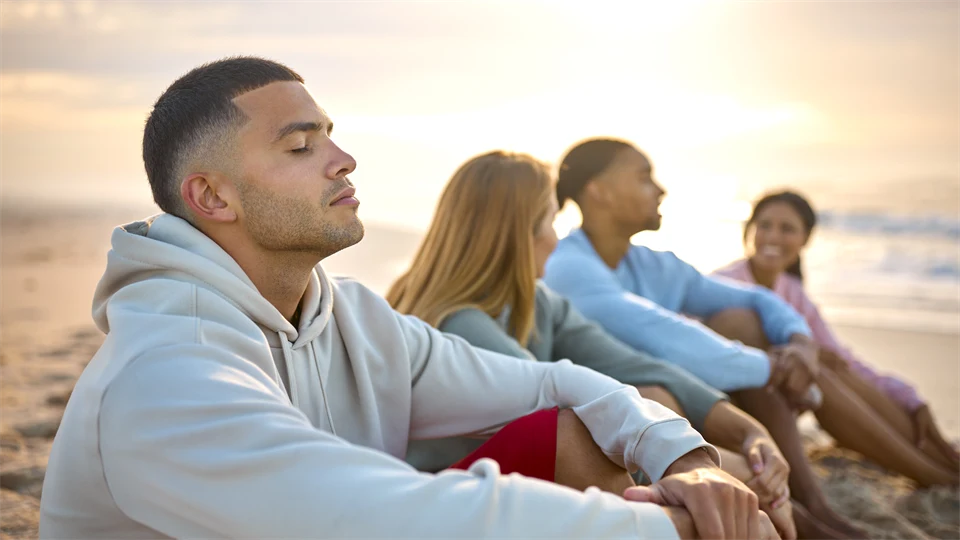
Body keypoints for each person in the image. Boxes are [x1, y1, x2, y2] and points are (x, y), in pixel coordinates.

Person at [38, 58, 775, 540]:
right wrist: (677, 528)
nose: (343, 159)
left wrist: (686, 460)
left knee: (580, 429)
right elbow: (391, 516)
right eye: (301, 148)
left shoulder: (354, 318)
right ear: (211, 196)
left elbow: (555, 382)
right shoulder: (166, 373)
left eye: (331, 136)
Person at [387, 150, 799, 539]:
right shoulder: (461, 322)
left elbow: (638, 365)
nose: (556, 238)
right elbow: (567, 421)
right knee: (590, 429)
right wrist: (710, 474)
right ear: (519, 235)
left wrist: (750, 433)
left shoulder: (539, 303)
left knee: (657, 398)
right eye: (551, 221)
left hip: (529, 488)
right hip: (457, 503)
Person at [543, 137, 867, 539]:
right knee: (689, 377)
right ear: (599, 191)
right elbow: (664, 337)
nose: (659, 189)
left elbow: (753, 297)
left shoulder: (653, 264)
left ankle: (920, 472)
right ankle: (807, 507)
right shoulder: (568, 267)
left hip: (681, 400)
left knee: (744, 321)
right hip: (626, 421)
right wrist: (772, 366)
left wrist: (799, 340)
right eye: (644, 178)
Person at [714, 190, 960, 487]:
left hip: (780, 397)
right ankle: (933, 475)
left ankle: (942, 459)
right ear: (749, 230)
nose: (772, 236)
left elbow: (845, 360)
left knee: (834, 365)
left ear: (805, 239)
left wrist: (910, 399)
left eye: (787, 228)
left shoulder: (791, 288)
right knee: (817, 369)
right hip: (733, 403)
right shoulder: (723, 284)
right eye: (764, 225)